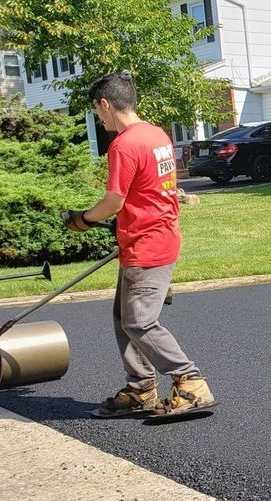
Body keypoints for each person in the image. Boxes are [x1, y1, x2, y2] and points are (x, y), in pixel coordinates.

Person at [67, 73, 216, 418]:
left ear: (105, 104)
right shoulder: (156, 134)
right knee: (124, 317)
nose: (99, 119)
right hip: (157, 236)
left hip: (147, 245)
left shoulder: (123, 144)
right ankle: (141, 389)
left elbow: (113, 202)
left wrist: (83, 219)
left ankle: (190, 381)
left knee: (139, 322)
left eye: (97, 112)